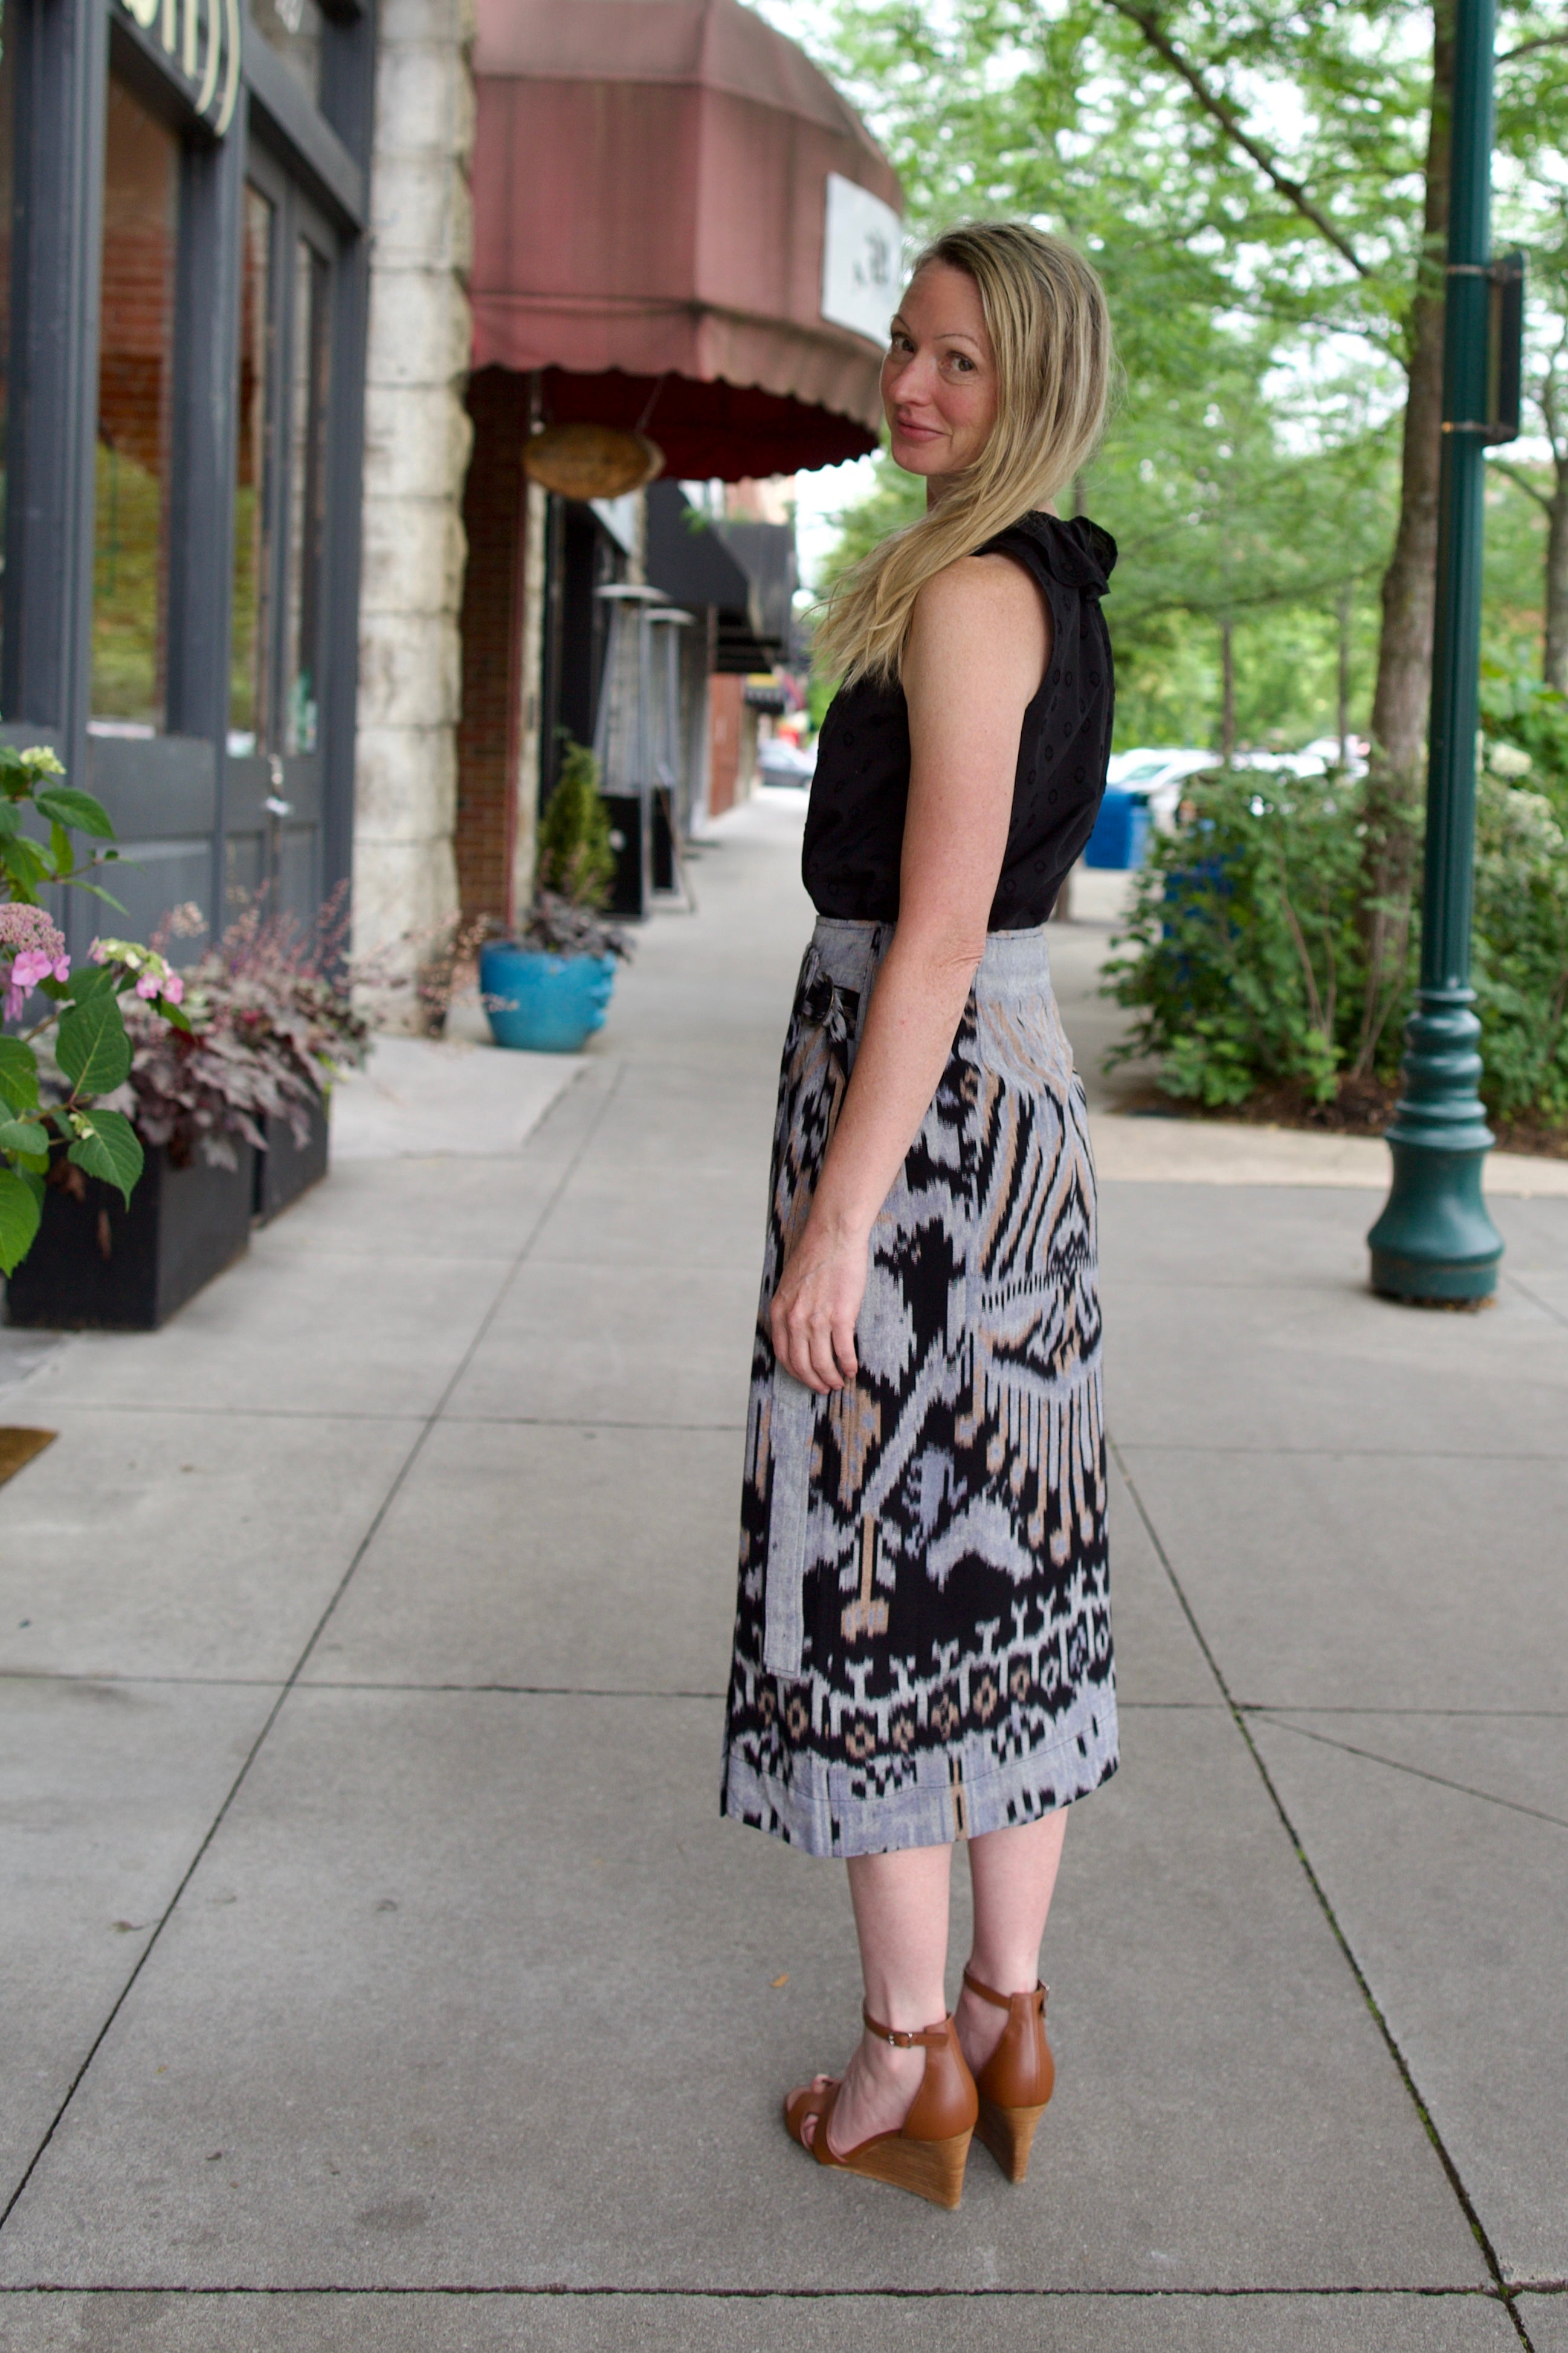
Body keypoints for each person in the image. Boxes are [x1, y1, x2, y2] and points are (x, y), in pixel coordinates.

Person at [718, 220, 1120, 2210]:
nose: (911, 384)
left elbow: (940, 935)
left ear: (1031, 374)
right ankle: (1004, 2011)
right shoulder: (1041, 571)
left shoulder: (971, 589)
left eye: (957, 357)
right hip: (1000, 1119)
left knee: (874, 1574)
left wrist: (834, 1226)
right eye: (903, 347)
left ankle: (903, 2067)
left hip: (927, 1128)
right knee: (1011, 1568)